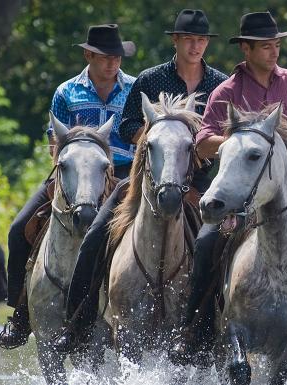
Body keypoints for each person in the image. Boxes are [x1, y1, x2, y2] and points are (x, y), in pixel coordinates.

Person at [52, 9, 229, 353]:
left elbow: (224, 135)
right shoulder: (150, 80)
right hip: (146, 180)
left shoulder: (219, 85)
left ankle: (212, 327)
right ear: (175, 40)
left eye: (201, 40)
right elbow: (127, 125)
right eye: (189, 39)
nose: (196, 46)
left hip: (203, 182)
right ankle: (78, 321)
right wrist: (161, 143)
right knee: (95, 236)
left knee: (222, 244)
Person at [170, 11, 287, 364]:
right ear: (245, 48)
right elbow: (202, 142)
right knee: (207, 242)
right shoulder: (227, 91)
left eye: (276, 44)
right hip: (239, 186)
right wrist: (237, 139)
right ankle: (194, 328)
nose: (273, 51)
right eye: (265, 46)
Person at [0, 24, 137, 349]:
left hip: (123, 176)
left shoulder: (133, 89)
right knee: (19, 229)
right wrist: (65, 175)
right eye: (105, 57)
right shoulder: (66, 92)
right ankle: (21, 314)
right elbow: (54, 143)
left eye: (116, 57)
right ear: (88, 55)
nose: (112, 63)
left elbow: (141, 136)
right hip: (72, 173)